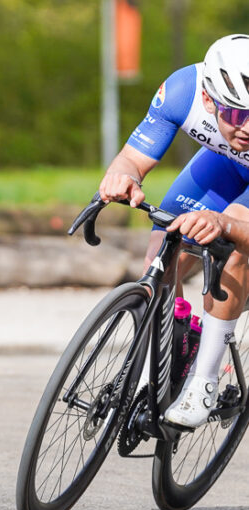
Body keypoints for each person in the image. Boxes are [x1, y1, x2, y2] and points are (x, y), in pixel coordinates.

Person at [99, 34, 249, 428]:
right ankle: (175, 346)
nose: (247, 127)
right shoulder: (183, 90)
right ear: (208, 100)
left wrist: (224, 222)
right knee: (161, 248)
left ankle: (204, 381)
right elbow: (131, 159)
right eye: (236, 115)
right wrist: (121, 178)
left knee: (234, 245)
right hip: (222, 165)